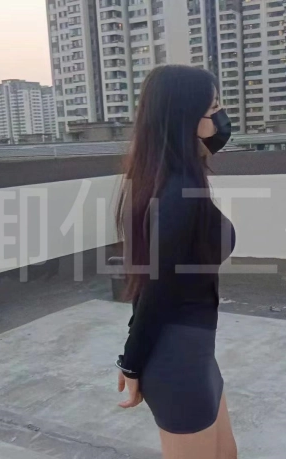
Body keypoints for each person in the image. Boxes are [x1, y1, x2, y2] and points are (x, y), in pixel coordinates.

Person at [114, 65, 237, 459]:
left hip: (197, 353)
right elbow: (155, 290)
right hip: (177, 359)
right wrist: (132, 363)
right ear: (184, 120)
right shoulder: (178, 193)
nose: (221, 118)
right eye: (213, 108)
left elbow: (150, 277)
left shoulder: (174, 178)